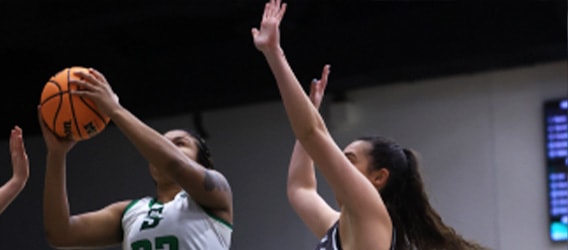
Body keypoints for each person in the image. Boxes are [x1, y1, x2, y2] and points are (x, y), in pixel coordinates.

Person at [251, 0, 487, 249]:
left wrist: (274, 53)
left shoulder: (370, 214)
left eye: (350, 160)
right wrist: (309, 109)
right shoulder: (343, 226)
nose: (338, 163)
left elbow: (312, 133)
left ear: (378, 177)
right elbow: (300, 188)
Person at [40, 68, 233, 250]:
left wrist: (115, 110)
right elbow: (60, 233)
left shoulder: (216, 191)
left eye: (180, 144)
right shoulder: (130, 211)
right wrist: (56, 155)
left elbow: (175, 164)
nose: (165, 149)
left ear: (200, 164)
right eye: (161, 144)